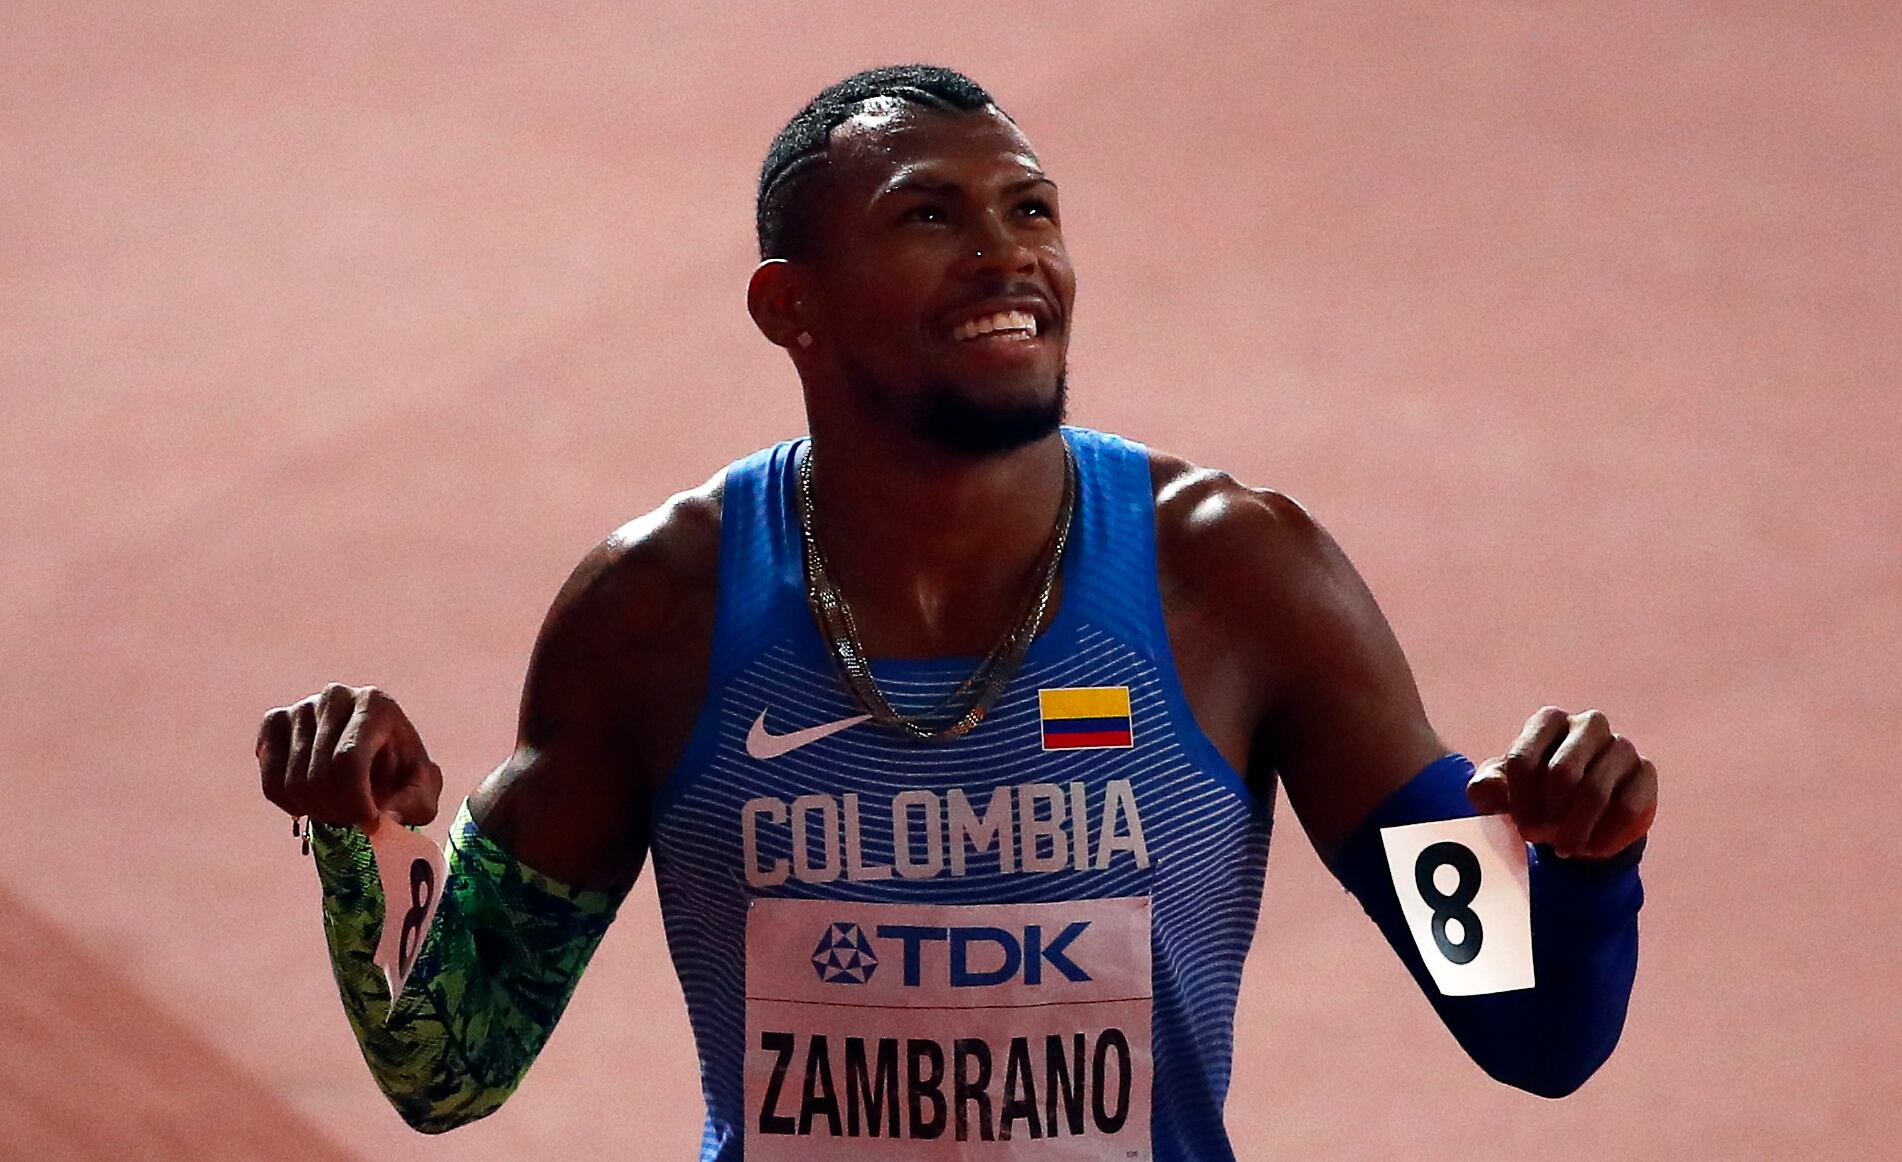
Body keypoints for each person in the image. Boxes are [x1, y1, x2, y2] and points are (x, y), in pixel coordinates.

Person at [256, 65, 1655, 1160]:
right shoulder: (656, 611)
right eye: (930, 215)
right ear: (787, 306)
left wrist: (1584, 869)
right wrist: (363, 834)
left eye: (1029, 208)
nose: (1006, 256)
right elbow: (448, 1062)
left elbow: (1531, 1026)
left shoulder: (1236, 580)